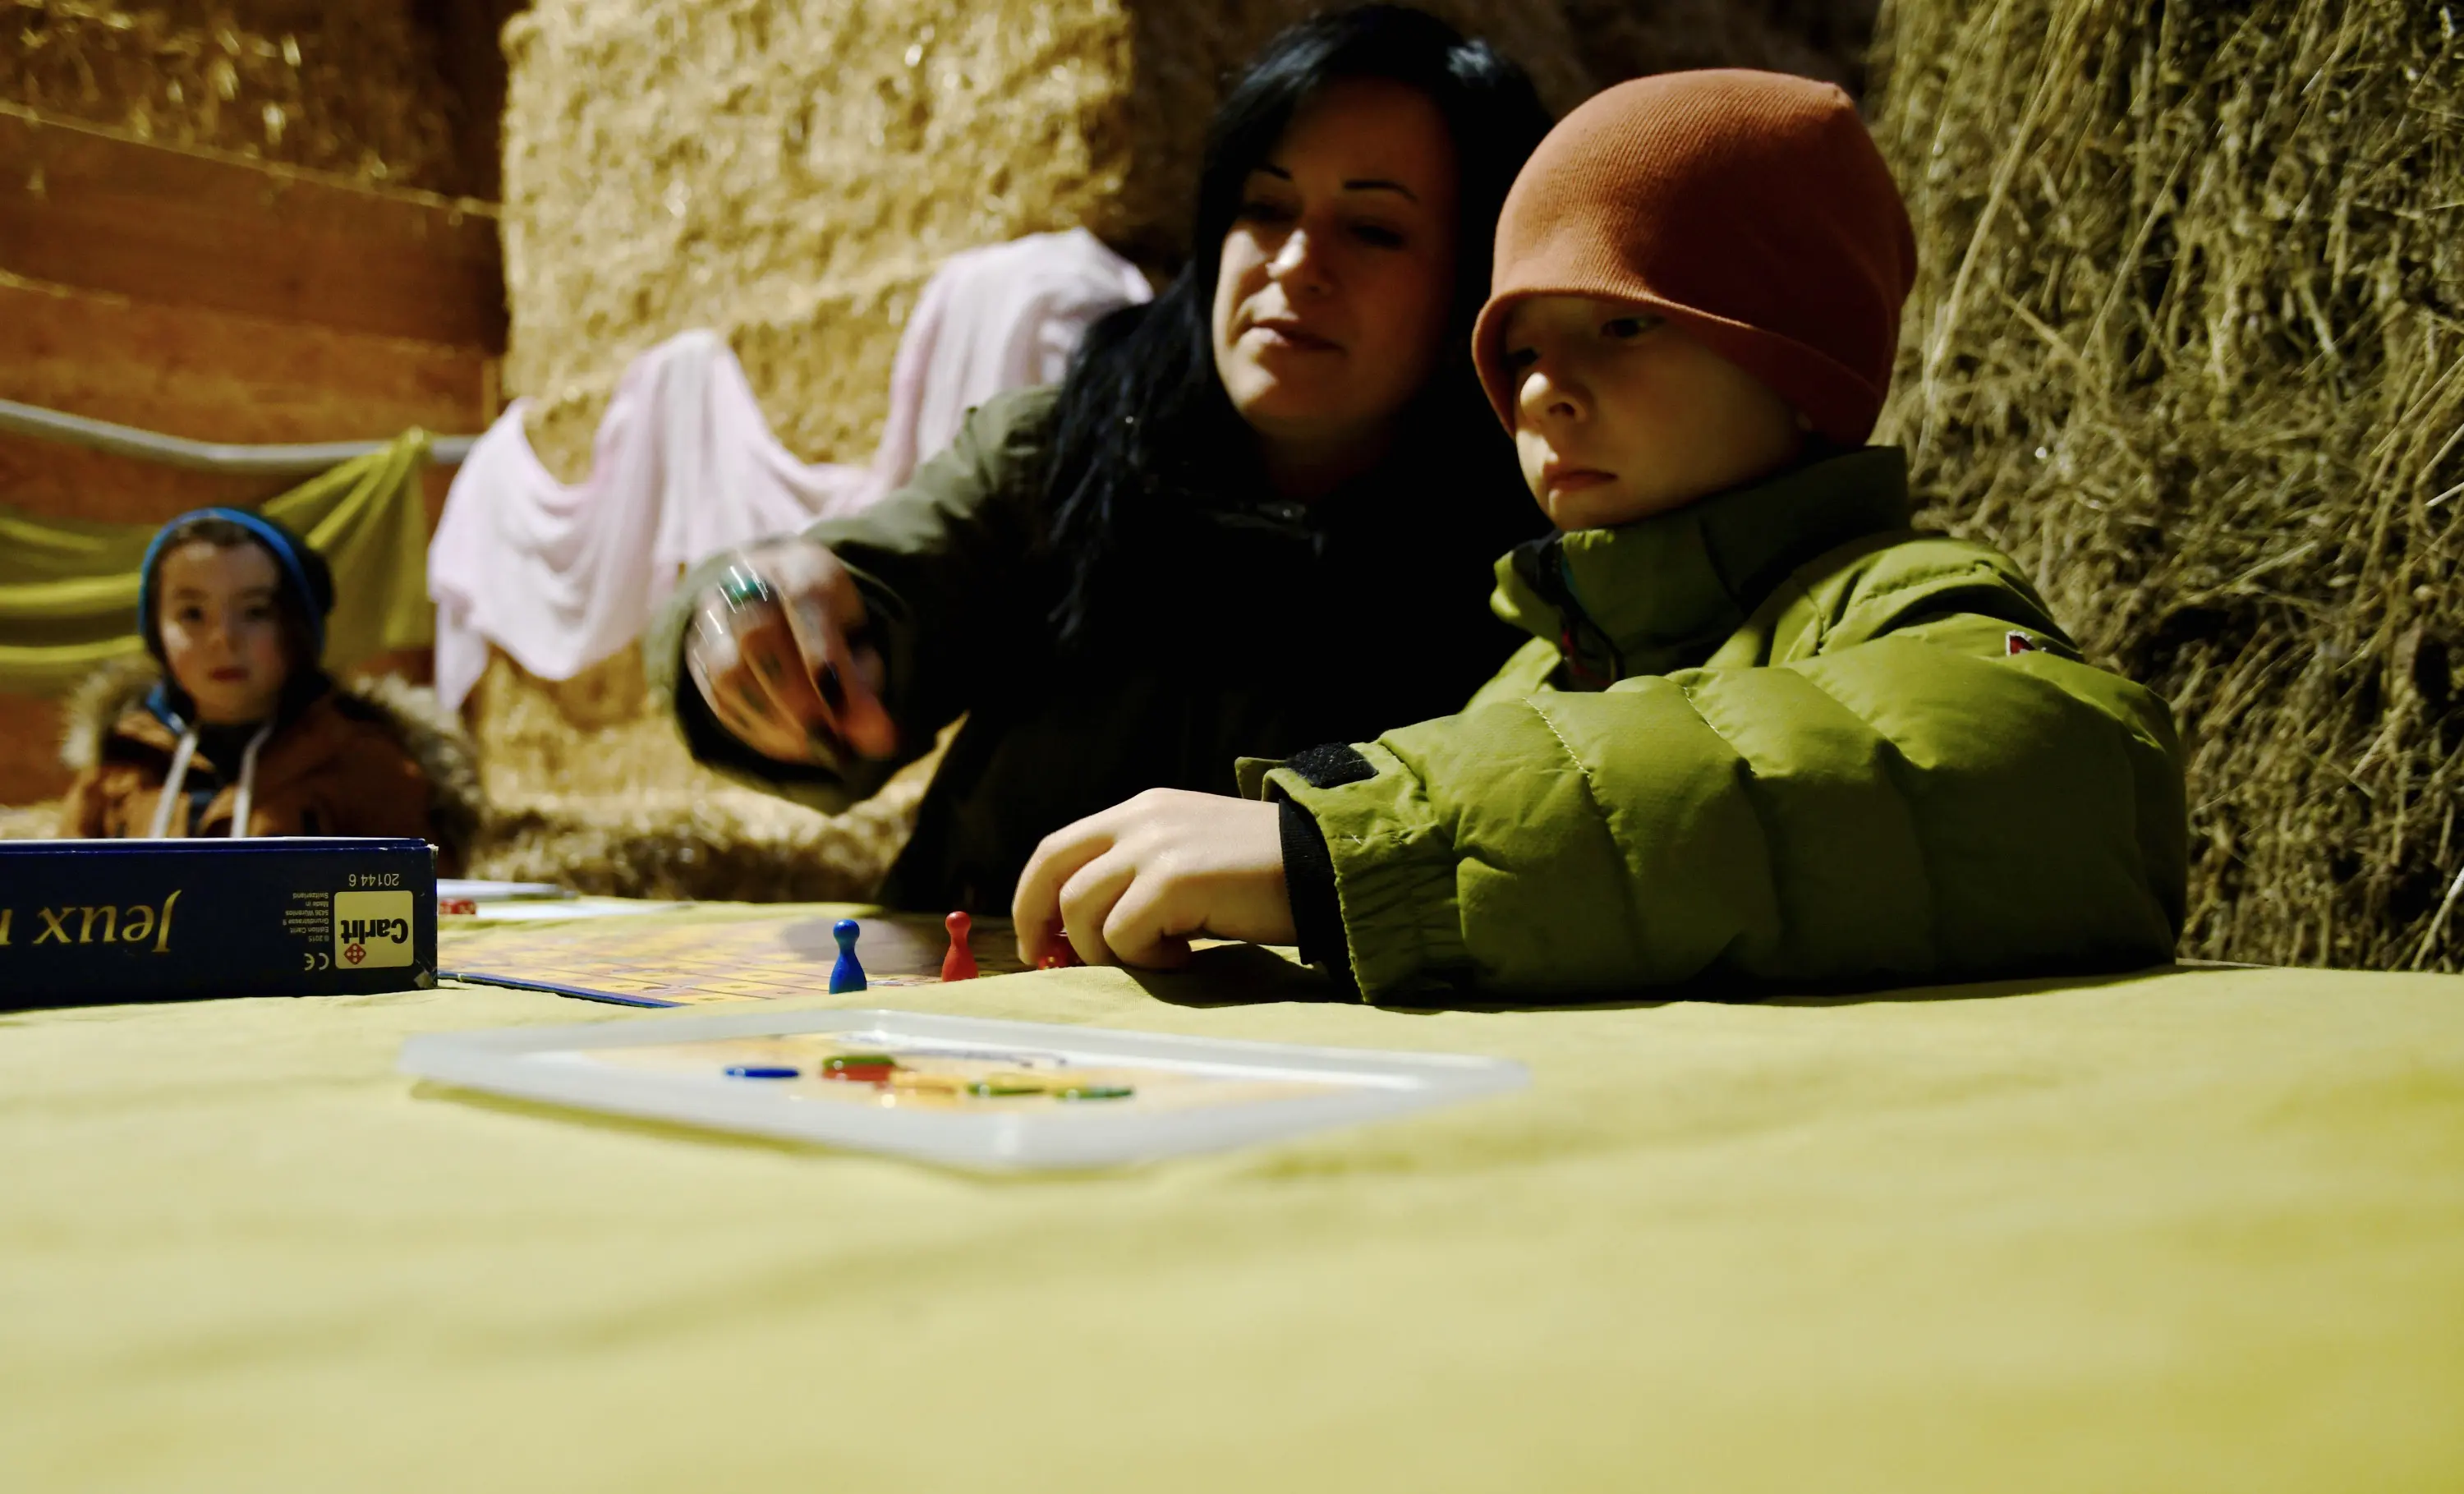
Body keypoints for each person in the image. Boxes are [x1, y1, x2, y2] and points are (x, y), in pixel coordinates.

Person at [1012, 69, 2189, 999]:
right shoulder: (1538, 667)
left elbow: (2067, 777)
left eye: (1624, 324)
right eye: (1517, 348)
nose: (1538, 392)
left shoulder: (1900, 596)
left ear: (1801, 368)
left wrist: (1357, 852)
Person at [647, 6, 1554, 912]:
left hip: (1327, 1043)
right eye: (1265, 208)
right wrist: (750, 620)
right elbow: (872, 597)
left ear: (1479, 276)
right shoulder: (1065, 448)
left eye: (1374, 229)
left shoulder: (1544, 547)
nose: (1292, 264)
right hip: (985, 1016)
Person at [58, 508, 480, 869]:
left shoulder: (363, 762)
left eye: (255, 611)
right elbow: (56, 904)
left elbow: (426, 916)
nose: (223, 638)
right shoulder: (119, 766)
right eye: (191, 613)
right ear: (155, 631)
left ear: (297, 628)